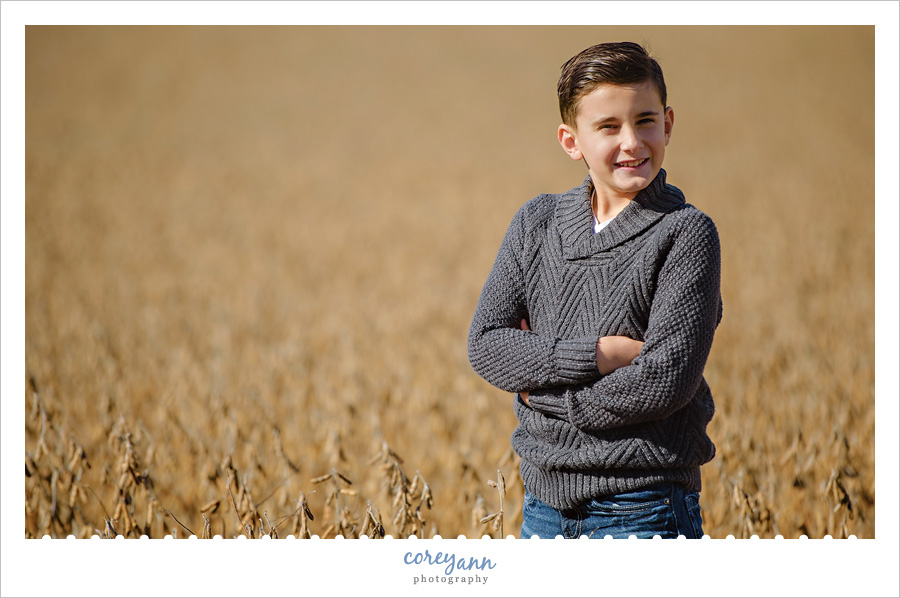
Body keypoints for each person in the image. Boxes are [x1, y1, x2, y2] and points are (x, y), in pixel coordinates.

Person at [467, 41, 722, 539]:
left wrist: (545, 393)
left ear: (668, 123)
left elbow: (666, 378)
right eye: (608, 127)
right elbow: (486, 344)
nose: (632, 142)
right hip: (542, 506)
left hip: (644, 506)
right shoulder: (536, 223)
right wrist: (601, 354)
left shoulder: (685, 233)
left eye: (645, 120)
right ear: (571, 140)